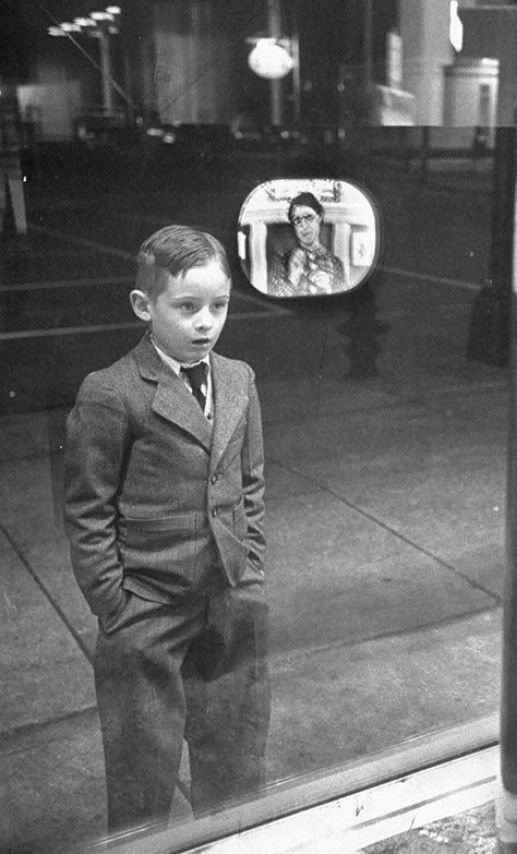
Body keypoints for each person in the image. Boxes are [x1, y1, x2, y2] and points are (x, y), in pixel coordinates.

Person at [63, 225, 270, 834]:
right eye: (186, 307)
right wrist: (114, 604)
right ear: (143, 306)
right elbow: (87, 509)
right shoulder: (111, 393)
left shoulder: (239, 380)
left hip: (229, 595)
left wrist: (250, 565)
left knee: (235, 757)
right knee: (142, 769)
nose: (206, 322)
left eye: (219, 305)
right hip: (147, 608)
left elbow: (250, 480)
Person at [269, 191, 346, 297]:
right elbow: (273, 302)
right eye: (297, 219)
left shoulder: (336, 263)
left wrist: (328, 290)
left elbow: (343, 304)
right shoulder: (283, 260)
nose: (303, 225)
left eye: (308, 217)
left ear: (320, 218)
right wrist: (292, 279)